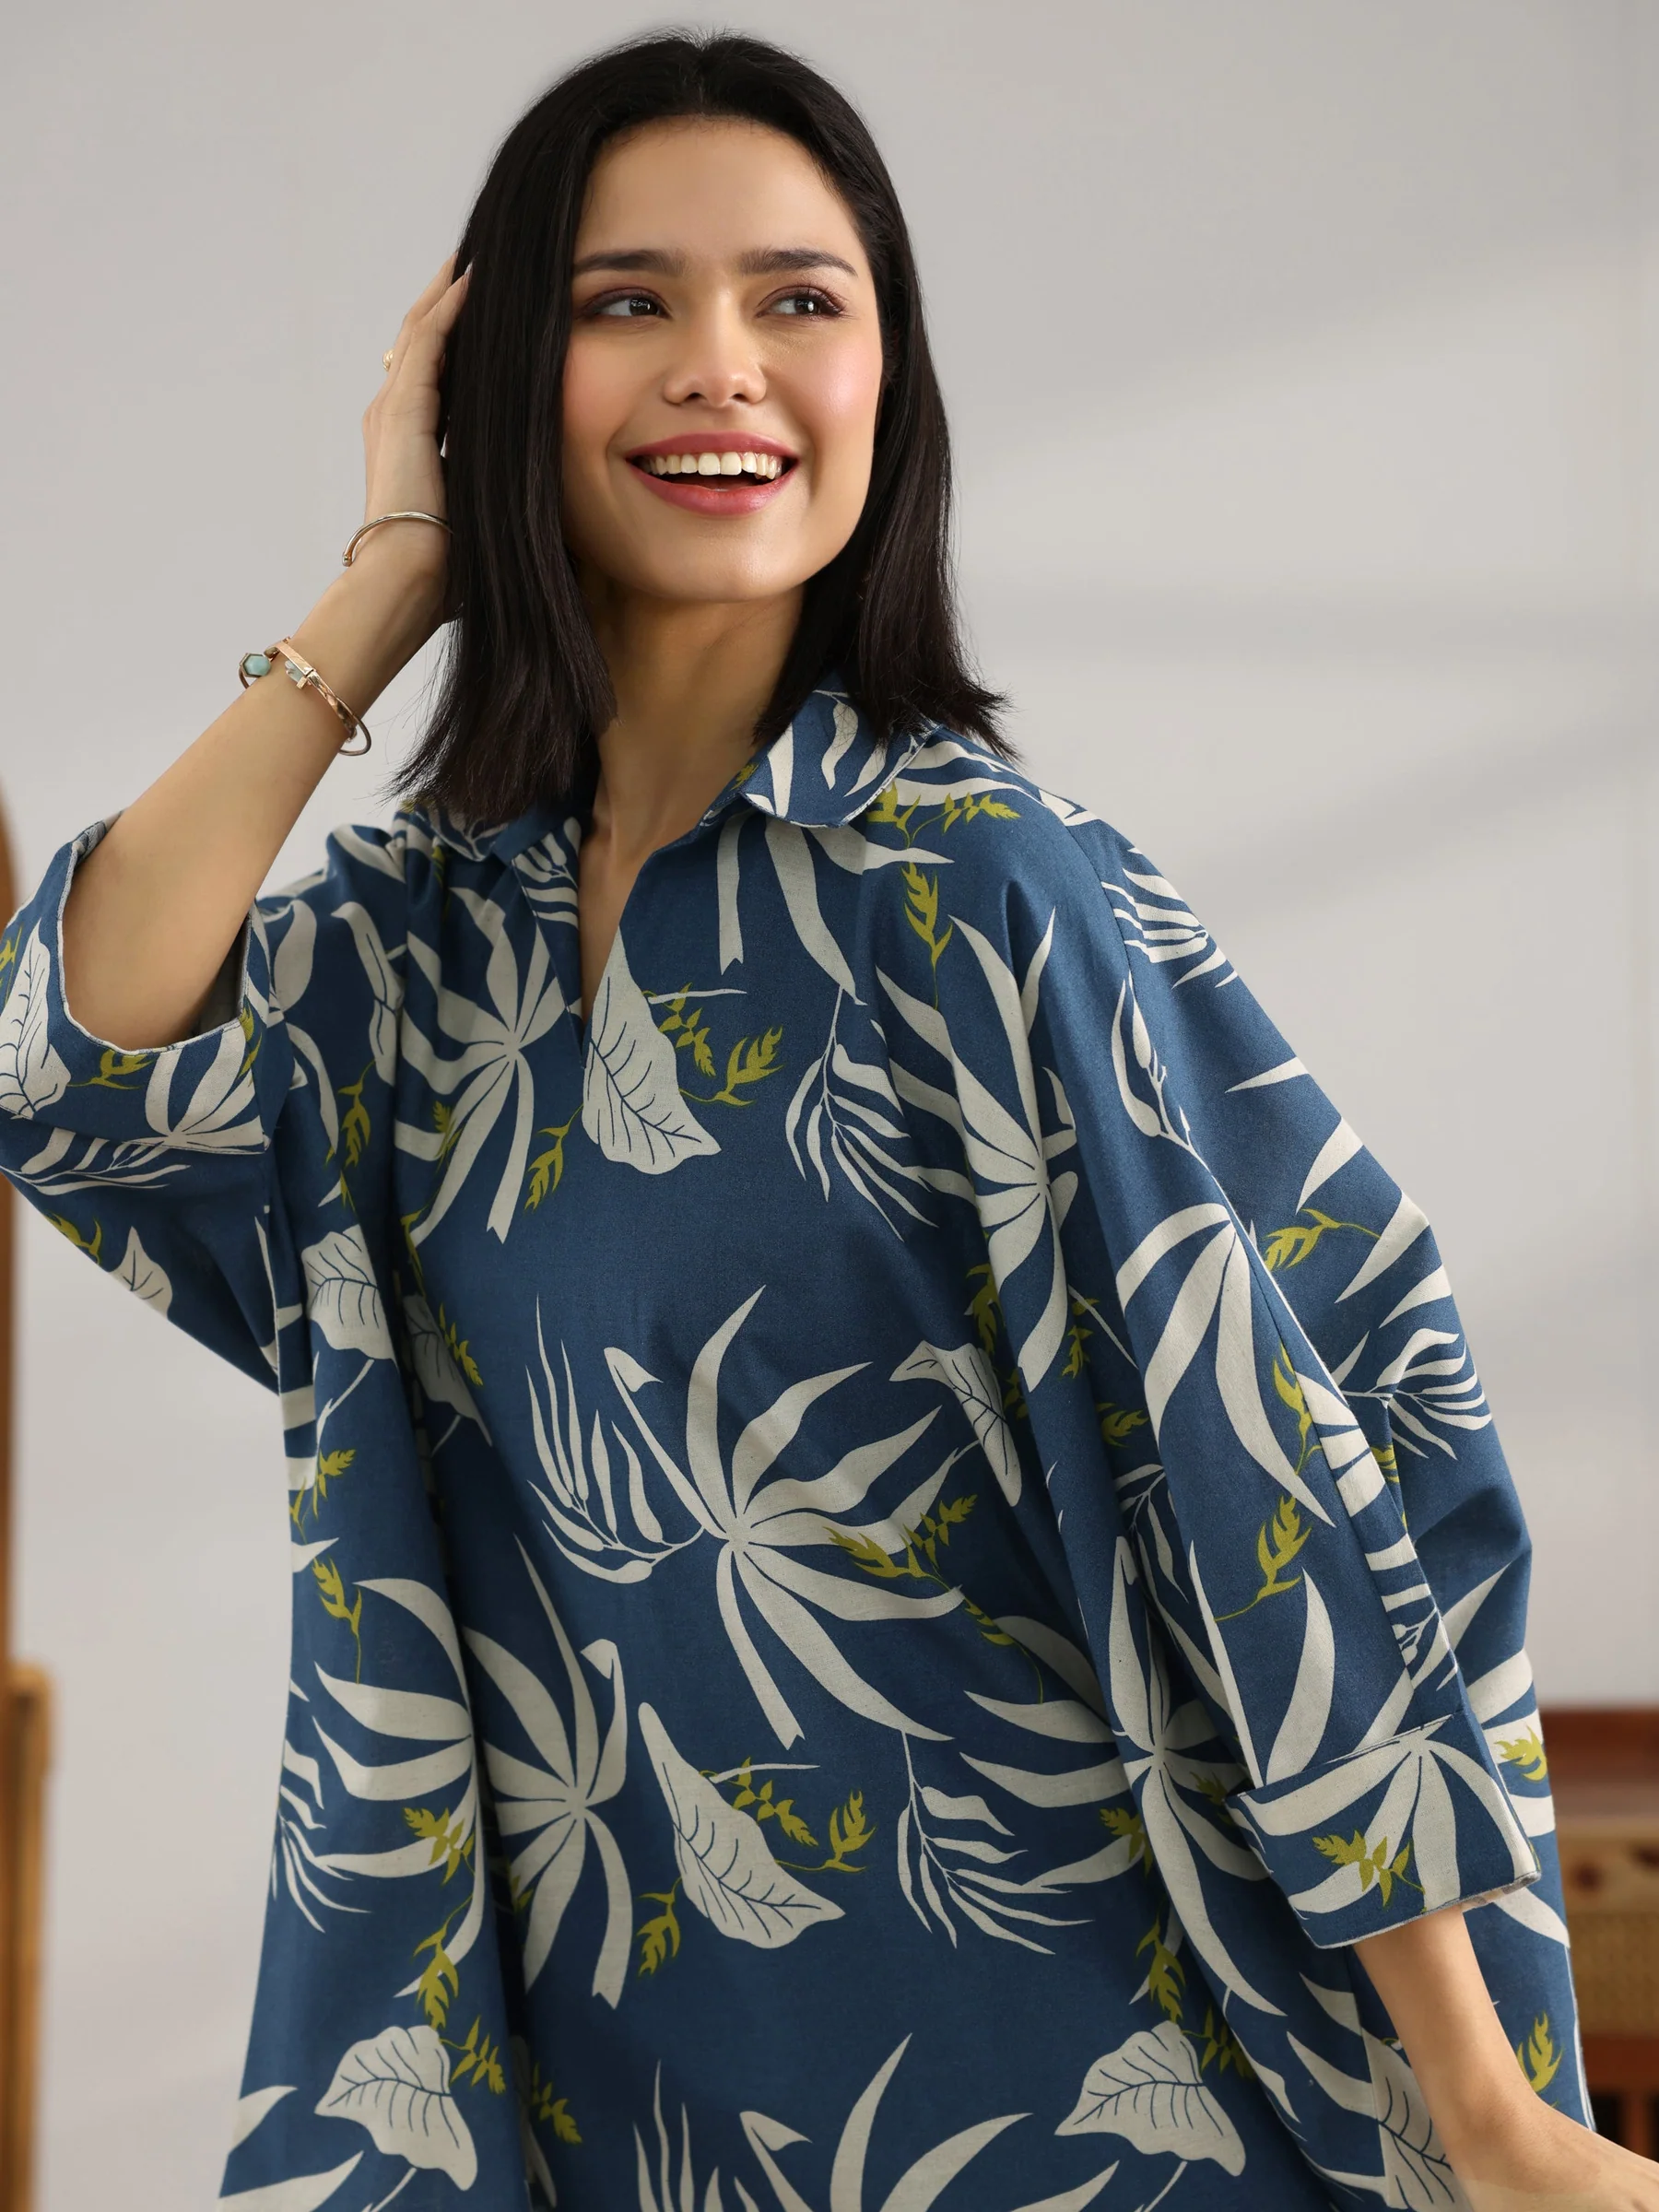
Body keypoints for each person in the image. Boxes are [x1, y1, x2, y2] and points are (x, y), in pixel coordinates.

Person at [0, 30, 1647, 2212]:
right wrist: (393, 570)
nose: (723, 363)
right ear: (502, 379)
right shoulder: (425, 946)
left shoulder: (976, 886)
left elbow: (1263, 1486)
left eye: (800, 298)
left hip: (1079, 2105)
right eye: (626, 302)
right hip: (609, 2121)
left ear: (888, 378)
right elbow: (68, 1068)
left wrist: (1491, 2118)